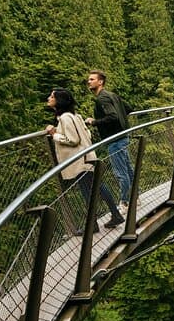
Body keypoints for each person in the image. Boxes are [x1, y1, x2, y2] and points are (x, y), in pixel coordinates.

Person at [45, 88, 124, 231]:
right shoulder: (76, 116)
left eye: (52, 96)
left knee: (93, 189)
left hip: (79, 160)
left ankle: (106, 219)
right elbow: (87, 134)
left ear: (59, 100)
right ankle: (100, 221)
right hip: (86, 157)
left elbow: (73, 139)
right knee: (93, 189)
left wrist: (54, 134)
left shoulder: (65, 118)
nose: (48, 98)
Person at [85, 70, 134, 213]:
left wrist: (94, 122)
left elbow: (112, 116)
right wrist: (122, 123)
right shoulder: (112, 95)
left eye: (92, 79)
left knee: (121, 173)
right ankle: (134, 197)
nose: (89, 81)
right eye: (89, 79)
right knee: (128, 169)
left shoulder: (102, 99)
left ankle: (124, 202)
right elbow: (129, 109)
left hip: (115, 140)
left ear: (100, 82)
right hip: (123, 136)